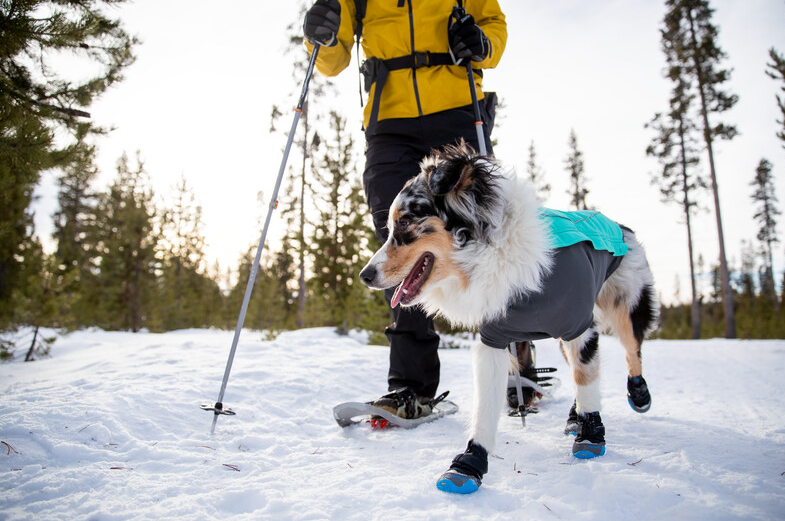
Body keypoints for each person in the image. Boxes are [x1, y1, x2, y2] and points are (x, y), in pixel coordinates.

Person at [303, 0, 514, 419]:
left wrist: (481, 43)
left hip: (456, 107)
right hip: (390, 120)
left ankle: (515, 362)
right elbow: (332, 60)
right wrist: (319, 35)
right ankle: (410, 387)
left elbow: (494, 27)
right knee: (398, 237)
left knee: (485, 231)